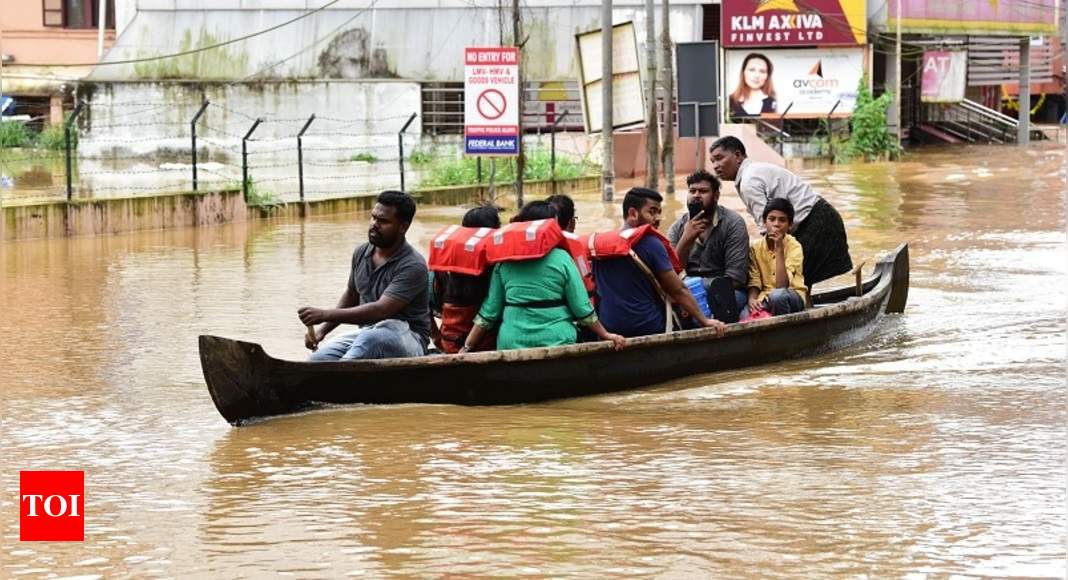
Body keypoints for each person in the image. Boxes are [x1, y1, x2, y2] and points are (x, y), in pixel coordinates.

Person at [462, 201, 625, 352]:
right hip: (557, 341)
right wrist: (606, 335)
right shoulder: (562, 259)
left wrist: (467, 347)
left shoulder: (503, 263)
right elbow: (582, 309)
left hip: (510, 343)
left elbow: (488, 313)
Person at [299, 190, 430, 360]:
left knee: (369, 342)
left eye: (383, 221)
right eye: (373, 217)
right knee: (317, 360)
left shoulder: (413, 265)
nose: (374, 224)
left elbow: (380, 310)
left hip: (408, 338)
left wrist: (324, 314)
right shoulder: (361, 252)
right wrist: (322, 331)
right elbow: (352, 295)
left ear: (403, 227)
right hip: (368, 332)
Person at [708, 135, 852, 288]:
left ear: (737, 155)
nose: (716, 166)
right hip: (822, 216)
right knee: (797, 279)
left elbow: (770, 228)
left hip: (815, 223)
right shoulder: (754, 171)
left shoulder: (749, 181)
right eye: (713, 162)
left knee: (791, 280)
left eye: (719, 158)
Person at [590, 187, 727, 338]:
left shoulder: (600, 246)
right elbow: (678, 290)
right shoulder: (651, 243)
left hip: (608, 327)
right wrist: (705, 321)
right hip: (647, 326)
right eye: (652, 212)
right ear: (633, 213)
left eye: (659, 212)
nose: (658, 218)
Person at [666, 170, 750, 321]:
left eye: (703, 191)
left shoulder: (733, 224)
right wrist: (685, 240)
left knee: (721, 304)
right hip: (687, 293)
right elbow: (669, 274)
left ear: (716, 196)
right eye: (692, 191)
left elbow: (736, 278)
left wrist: (696, 287)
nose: (696, 195)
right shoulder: (677, 227)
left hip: (725, 292)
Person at [429, 203, 501, 354]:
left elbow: (424, 304)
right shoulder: (496, 265)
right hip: (485, 345)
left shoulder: (439, 263)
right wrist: (467, 347)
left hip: (447, 342)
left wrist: (436, 338)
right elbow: (490, 311)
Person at [748, 198, 806, 316]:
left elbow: (782, 286)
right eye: (771, 219)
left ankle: (786, 331)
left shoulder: (794, 247)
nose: (776, 224)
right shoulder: (755, 247)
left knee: (778, 296)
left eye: (782, 220)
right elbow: (755, 280)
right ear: (765, 222)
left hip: (792, 296)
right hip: (765, 297)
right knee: (744, 313)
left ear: (789, 225)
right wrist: (752, 299)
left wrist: (779, 248)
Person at [729, 53, 777, 118]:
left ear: (767, 76)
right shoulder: (729, 101)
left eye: (762, 71)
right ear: (743, 72)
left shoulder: (772, 102)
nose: (757, 75)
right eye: (752, 70)